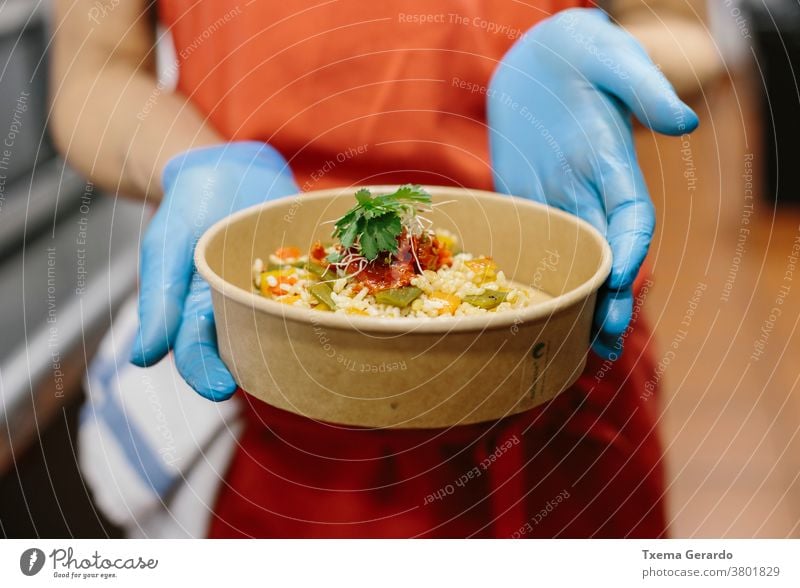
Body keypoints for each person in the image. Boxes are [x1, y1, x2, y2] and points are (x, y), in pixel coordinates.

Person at [51, 0, 719, 537]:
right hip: (286, 374)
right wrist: (190, 164)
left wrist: (595, 51)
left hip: (555, 354)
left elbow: (688, 32)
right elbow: (93, 72)